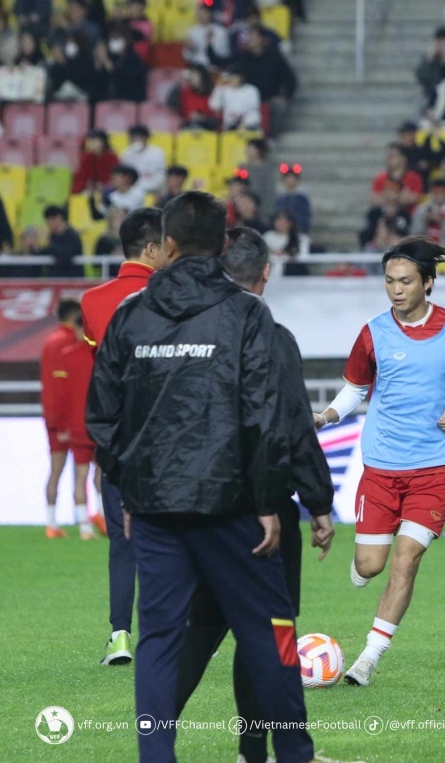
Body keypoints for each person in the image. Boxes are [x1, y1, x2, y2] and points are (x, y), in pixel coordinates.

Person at [86, 193, 325, 763]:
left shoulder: (130, 315)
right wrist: (272, 499)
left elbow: (103, 415)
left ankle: (156, 756)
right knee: (272, 631)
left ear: (166, 245)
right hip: (234, 506)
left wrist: (126, 486)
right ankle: (291, 750)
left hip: (155, 509)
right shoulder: (248, 315)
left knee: (161, 637)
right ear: (222, 246)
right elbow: (266, 414)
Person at [173, 226, 334, 763]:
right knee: (273, 629)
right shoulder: (270, 334)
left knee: (200, 628)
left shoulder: (184, 333)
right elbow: (290, 424)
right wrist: (318, 501)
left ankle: (155, 738)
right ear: (266, 273)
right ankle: (264, 749)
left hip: (193, 507)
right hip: (259, 510)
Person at [312, 236, 445, 686]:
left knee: (407, 557)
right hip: (383, 461)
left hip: (437, 462)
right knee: (371, 565)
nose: (396, 289)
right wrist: (328, 415)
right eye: (390, 281)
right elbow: (356, 388)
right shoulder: (373, 331)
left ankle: (368, 658)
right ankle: (361, 566)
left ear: (428, 283)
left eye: (406, 281)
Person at [81, 207, 166, 667]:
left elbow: (105, 376)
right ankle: (182, 632)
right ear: (151, 248)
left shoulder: (93, 301)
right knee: (184, 533)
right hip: (169, 435)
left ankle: (119, 635)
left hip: (116, 437)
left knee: (122, 540)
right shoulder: (172, 295)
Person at [51, 310, 99, 541]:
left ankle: (84, 527)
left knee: (80, 477)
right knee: (102, 476)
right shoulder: (100, 355)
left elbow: (60, 396)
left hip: (76, 427)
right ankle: (104, 517)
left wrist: (60, 426)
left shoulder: (66, 356)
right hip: (99, 426)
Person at [39, 299, 83, 539]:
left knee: (56, 470)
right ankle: (85, 518)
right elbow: (64, 385)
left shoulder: (49, 340)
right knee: (83, 469)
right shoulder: (67, 342)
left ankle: (52, 521)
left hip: (54, 416)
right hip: (69, 417)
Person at [120, 124, 166, 195]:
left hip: (153, 188)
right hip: (132, 190)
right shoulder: (127, 153)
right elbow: (125, 176)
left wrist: (144, 187)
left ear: (146, 138)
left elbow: (160, 176)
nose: (137, 140)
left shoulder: (157, 153)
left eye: (140, 137)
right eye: (134, 138)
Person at [43, 206, 83, 278]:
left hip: (71, 281)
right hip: (55, 280)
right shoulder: (53, 237)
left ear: (59, 218)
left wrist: (50, 245)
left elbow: (65, 256)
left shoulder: (72, 236)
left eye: (51, 220)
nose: (49, 224)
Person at [276, 162, 311, 234]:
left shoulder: (302, 199)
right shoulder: (280, 198)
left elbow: (305, 218)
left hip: (297, 232)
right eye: (288, 178)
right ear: (283, 181)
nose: (290, 181)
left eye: (293, 179)